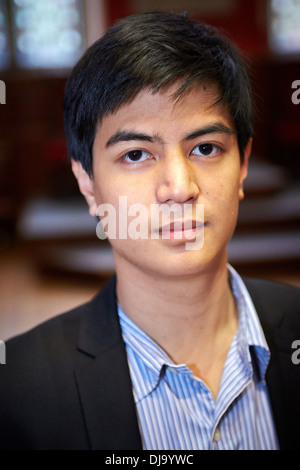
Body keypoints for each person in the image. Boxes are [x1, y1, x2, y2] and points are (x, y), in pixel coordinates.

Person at [0, 11, 299, 451]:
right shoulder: (17, 390)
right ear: (88, 184)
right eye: (137, 154)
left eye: (205, 148)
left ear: (243, 167)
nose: (179, 188)